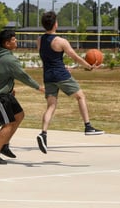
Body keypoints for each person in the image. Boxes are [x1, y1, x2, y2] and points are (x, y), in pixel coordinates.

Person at [36, 11, 103, 155]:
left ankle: (43, 133)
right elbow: (75, 56)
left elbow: (46, 57)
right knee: (80, 96)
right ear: (55, 24)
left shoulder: (40, 40)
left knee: (51, 106)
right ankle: (88, 126)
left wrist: (61, 65)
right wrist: (89, 66)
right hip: (61, 74)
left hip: (48, 75)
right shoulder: (60, 41)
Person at [0, 29, 44, 164]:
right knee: (8, 123)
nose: (16, 41)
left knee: (19, 115)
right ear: (6, 43)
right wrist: (38, 87)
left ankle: (4, 145)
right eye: (13, 40)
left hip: (4, 91)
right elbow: (23, 76)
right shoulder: (9, 59)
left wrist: (9, 86)